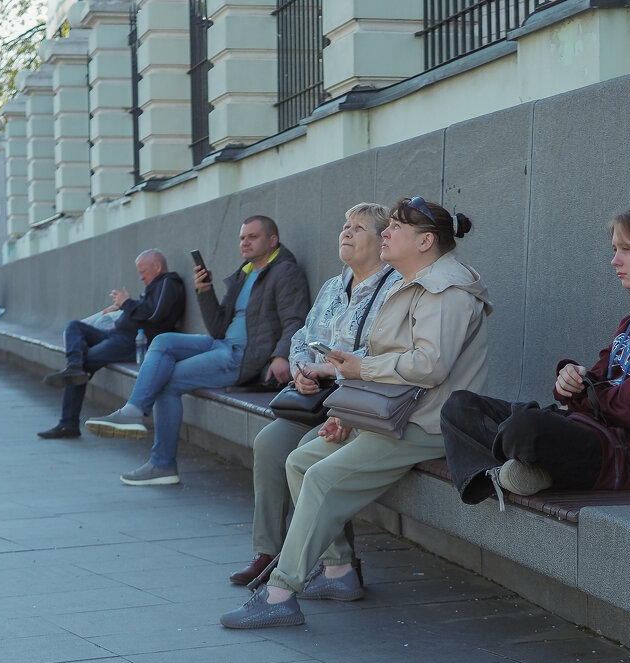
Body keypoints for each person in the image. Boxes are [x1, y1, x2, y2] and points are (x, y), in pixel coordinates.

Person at [219, 196, 489, 629]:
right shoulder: (410, 281)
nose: (386, 233)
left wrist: (360, 369)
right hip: (396, 412)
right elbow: (391, 358)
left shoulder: (447, 291)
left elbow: (429, 366)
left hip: (426, 424)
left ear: (425, 241)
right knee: (303, 457)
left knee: (322, 476)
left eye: (394, 227)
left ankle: (279, 593)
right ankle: (339, 570)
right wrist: (349, 411)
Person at [440, 201, 630, 506]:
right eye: (615, 249)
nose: (615, 260)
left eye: (626, 249)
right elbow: (599, 377)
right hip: (584, 428)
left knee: (524, 428)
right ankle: (515, 472)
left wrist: (584, 392)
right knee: (459, 406)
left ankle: (526, 469)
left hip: (618, 454)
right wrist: (571, 379)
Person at [230, 202, 399, 587]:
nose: (347, 232)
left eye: (358, 227)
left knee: (308, 449)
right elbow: (302, 336)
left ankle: (337, 562)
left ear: (383, 239)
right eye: (345, 226)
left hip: (362, 401)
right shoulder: (332, 286)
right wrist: (301, 369)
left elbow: (386, 354)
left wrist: (330, 369)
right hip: (315, 397)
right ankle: (267, 550)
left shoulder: (396, 287)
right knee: (269, 442)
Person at [85, 216, 311, 486]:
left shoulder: (284, 271)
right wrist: (204, 291)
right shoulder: (245, 272)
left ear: (272, 240)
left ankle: (162, 462)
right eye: (242, 238)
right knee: (163, 341)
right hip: (222, 344)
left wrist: (281, 355)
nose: (245, 242)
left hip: (244, 356)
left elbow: (295, 319)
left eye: (253, 237)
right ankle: (135, 411)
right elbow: (217, 327)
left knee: (166, 381)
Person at [38, 249, 186, 439]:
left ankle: (68, 422)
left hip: (132, 342)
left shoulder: (169, 283)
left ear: (157, 267)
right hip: (117, 335)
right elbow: (144, 310)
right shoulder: (155, 286)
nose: (140, 277)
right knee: (75, 326)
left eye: (142, 271)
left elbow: (155, 313)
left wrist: (127, 304)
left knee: (84, 362)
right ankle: (73, 366)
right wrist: (120, 308)